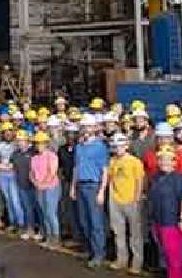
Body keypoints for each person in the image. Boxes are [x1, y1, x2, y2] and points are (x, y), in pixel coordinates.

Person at [71, 115, 110, 268]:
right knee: (84, 221)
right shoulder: (79, 146)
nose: (86, 130)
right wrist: (73, 187)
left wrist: (102, 191)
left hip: (94, 186)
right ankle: (90, 250)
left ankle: (99, 254)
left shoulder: (100, 146)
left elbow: (105, 170)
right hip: (80, 185)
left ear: (94, 128)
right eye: (84, 127)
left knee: (96, 223)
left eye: (88, 127)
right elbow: (76, 168)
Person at [147, 148, 182, 278]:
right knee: (165, 254)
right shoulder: (156, 177)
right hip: (158, 221)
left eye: (167, 160)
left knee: (174, 256)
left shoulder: (179, 179)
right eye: (161, 159)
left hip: (173, 222)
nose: (163, 162)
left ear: (174, 162)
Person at [104, 132, 145, 273]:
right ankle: (121, 259)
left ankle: (136, 263)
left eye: (120, 146)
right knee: (118, 232)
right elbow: (110, 179)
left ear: (126, 146)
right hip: (115, 200)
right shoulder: (113, 161)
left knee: (135, 234)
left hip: (131, 201)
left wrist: (137, 199)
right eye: (115, 146)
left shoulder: (134, 162)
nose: (118, 149)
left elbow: (140, 181)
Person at [29, 131, 60, 247]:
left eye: (41, 143)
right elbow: (31, 173)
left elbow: (52, 172)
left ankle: (56, 238)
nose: (39, 146)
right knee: (45, 213)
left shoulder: (52, 156)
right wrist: (36, 183)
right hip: (39, 188)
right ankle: (48, 237)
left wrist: (42, 183)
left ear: (46, 143)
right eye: (37, 143)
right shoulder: (34, 158)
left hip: (51, 187)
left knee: (51, 213)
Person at [10, 130, 38, 240]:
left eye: (22, 140)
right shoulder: (15, 154)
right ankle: (30, 229)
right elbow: (11, 166)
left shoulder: (33, 152)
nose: (20, 143)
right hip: (22, 184)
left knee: (38, 208)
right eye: (19, 141)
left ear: (27, 141)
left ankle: (40, 230)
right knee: (27, 208)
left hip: (35, 184)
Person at [0, 124, 18, 230]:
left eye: (10, 131)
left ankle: (20, 223)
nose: (8, 133)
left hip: (14, 175)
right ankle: (13, 223)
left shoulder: (17, 144)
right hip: (2, 175)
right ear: (2, 134)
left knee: (15, 200)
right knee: (8, 200)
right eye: (5, 131)